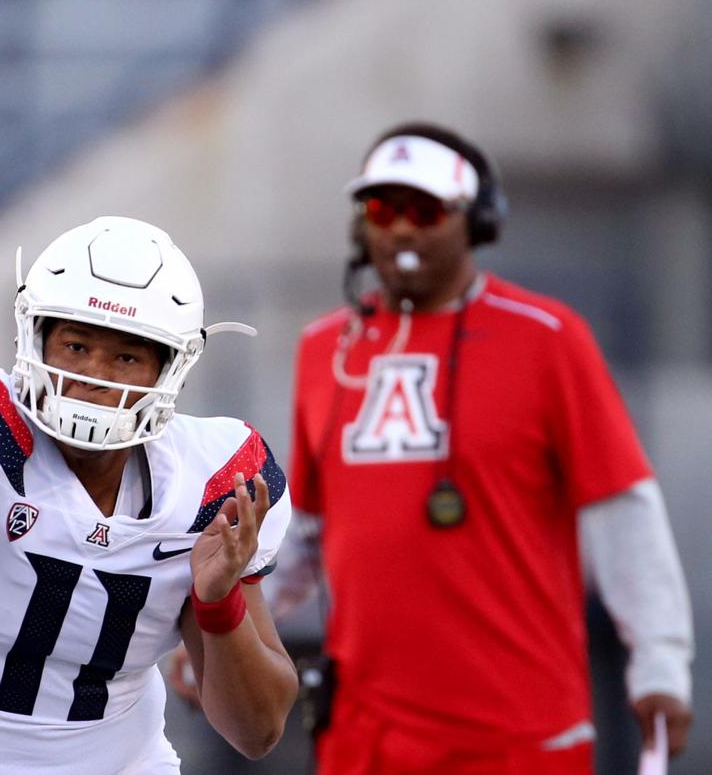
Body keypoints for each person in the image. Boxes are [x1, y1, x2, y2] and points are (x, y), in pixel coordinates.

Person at [273, 122, 695, 773]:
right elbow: (301, 534)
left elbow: (622, 509)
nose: (403, 230)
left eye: (425, 210)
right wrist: (224, 636)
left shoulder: (548, 338)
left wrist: (660, 660)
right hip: (362, 740)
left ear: (477, 222)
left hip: (519, 738)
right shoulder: (326, 347)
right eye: (384, 210)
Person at [0, 215, 298, 774]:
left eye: (126, 357)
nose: (94, 375)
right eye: (76, 345)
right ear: (34, 338)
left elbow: (257, 730)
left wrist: (217, 600)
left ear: (168, 369)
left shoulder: (212, 481)